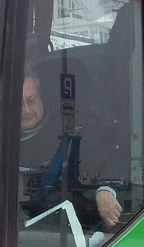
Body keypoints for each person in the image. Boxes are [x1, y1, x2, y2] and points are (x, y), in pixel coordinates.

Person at [18, 67, 123, 231]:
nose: (26, 110)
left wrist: (106, 190)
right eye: (19, 104)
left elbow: (110, 163)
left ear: (41, 97)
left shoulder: (68, 133)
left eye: (31, 101)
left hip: (56, 233)